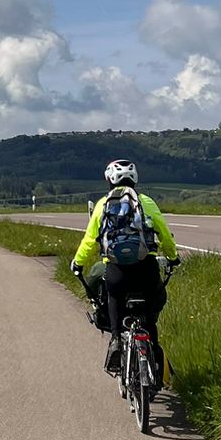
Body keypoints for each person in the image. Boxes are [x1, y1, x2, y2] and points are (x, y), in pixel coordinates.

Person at [69, 159, 179, 374]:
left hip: (117, 270)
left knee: (114, 297)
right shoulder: (146, 202)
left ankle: (116, 340)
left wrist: (78, 263)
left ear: (109, 179)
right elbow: (164, 233)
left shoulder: (103, 204)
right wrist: (173, 257)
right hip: (146, 268)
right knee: (152, 307)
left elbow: (90, 240)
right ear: (135, 178)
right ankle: (154, 350)